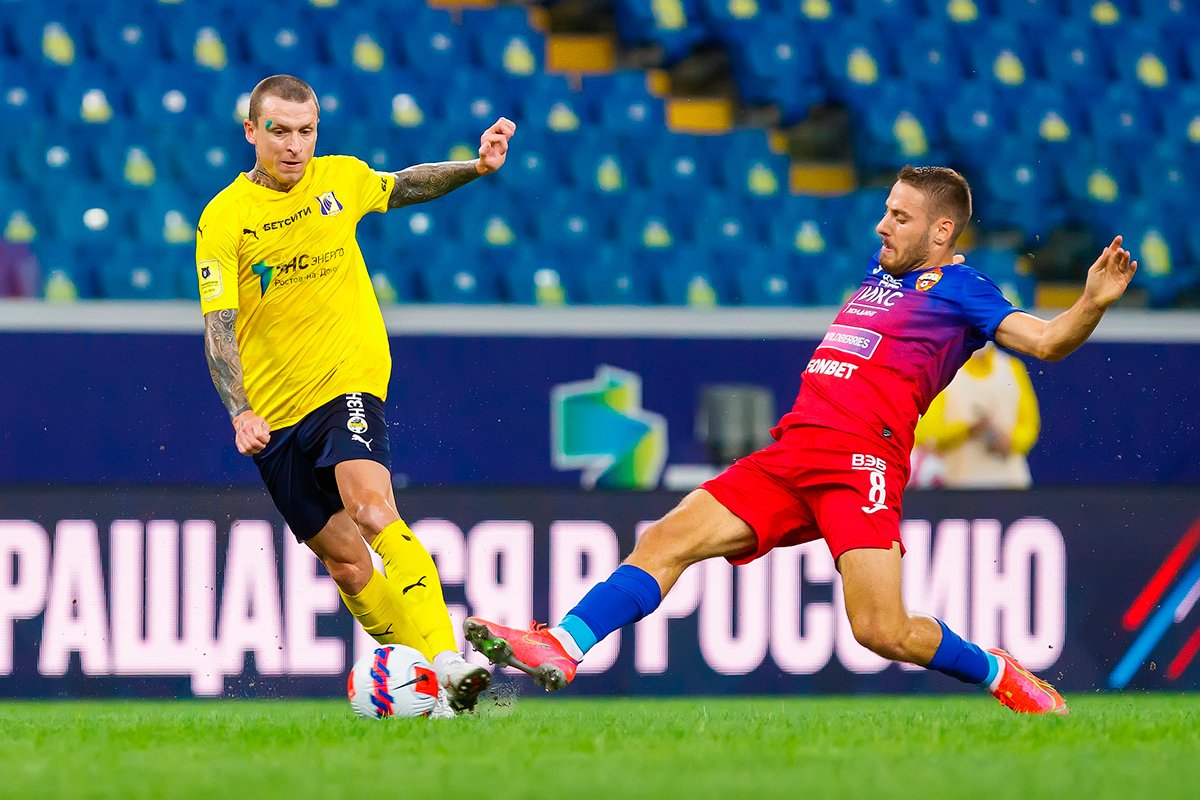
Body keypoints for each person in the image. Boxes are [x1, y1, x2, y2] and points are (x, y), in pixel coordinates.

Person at [465, 165, 1137, 715]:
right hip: (791, 453)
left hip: (860, 463)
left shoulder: (964, 289)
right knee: (666, 538)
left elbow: (1046, 342)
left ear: (941, 231)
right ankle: (563, 645)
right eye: (886, 211)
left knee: (882, 631)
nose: (882, 225)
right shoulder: (883, 274)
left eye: (900, 217)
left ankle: (996, 671)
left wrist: (1091, 303)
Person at [197, 74, 516, 714]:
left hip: (347, 380)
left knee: (371, 508)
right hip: (276, 415)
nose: (295, 146)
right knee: (346, 565)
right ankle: (441, 687)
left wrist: (476, 168)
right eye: (280, 132)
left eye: (306, 131)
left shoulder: (339, 178)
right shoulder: (224, 218)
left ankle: (447, 659)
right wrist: (240, 410)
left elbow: (403, 185)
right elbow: (219, 326)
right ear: (251, 132)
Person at [914, 342, 1041, 488]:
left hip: (1010, 483)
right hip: (957, 485)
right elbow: (925, 433)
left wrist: (1009, 441)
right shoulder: (941, 369)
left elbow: (1030, 426)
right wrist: (968, 430)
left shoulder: (1013, 367)